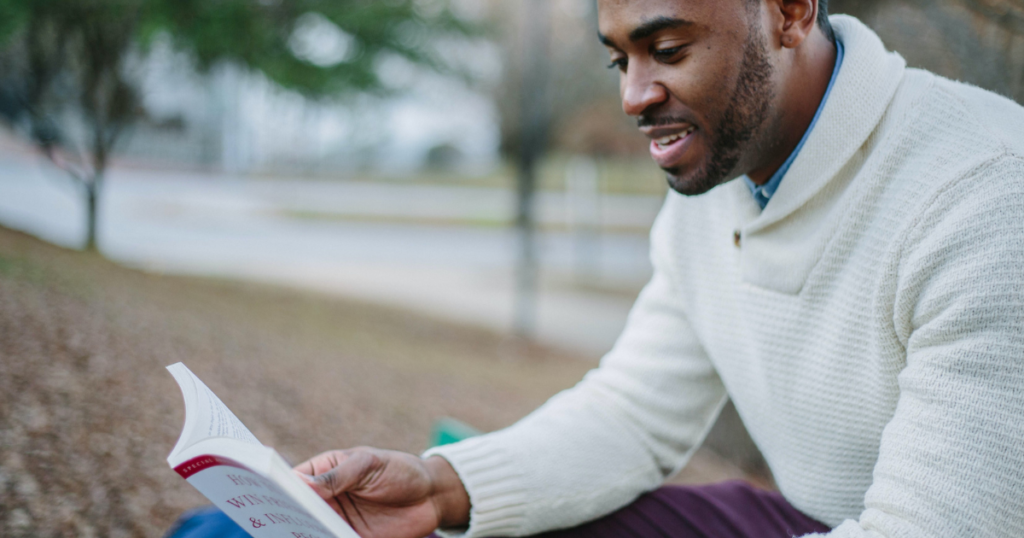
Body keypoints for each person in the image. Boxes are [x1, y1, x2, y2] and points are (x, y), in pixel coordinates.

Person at [294, 1, 1024, 537]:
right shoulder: (719, 185)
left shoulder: (985, 194)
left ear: (791, 12)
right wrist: (441, 485)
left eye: (668, 49)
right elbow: (633, 414)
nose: (632, 97)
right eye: (620, 60)